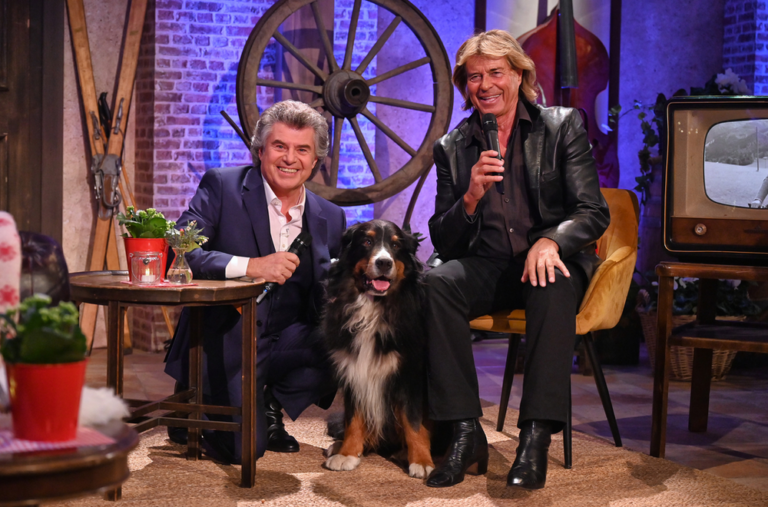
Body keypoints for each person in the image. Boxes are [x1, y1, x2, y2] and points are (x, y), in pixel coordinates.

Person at [423, 30, 610, 490]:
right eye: (474, 77)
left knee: (549, 282)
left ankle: (534, 438)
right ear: (465, 86)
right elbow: (444, 238)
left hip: (550, 262)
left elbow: (593, 210)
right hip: (489, 265)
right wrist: (470, 197)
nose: (485, 85)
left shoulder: (561, 125)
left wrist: (553, 242)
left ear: (519, 75)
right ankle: (464, 431)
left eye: (495, 73)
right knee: (435, 283)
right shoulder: (452, 146)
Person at [164, 100, 346, 463]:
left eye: (302, 150)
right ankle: (192, 399)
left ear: (315, 160)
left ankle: (267, 402)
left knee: (346, 344)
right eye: (279, 146)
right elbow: (179, 252)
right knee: (244, 451)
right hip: (226, 339)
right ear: (260, 150)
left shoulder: (331, 216)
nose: (289, 158)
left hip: (285, 340)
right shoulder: (222, 186)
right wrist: (252, 266)